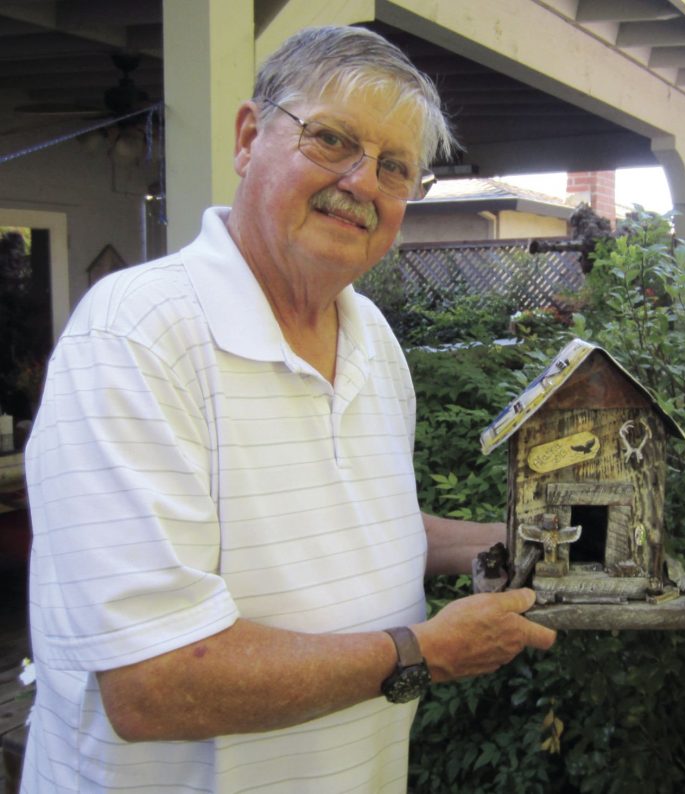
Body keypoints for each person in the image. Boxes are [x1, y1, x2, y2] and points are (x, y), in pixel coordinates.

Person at [21, 25, 556, 793]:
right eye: (332, 140)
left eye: (396, 167)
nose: (363, 182)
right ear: (248, 137)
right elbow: (153, 683)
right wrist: (424, 651)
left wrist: (508, 540)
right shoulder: (139, 334)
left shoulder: (371, 337)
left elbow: (356, 524)